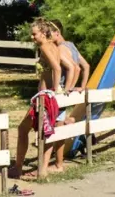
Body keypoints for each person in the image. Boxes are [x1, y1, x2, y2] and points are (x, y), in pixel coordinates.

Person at [9, 19, 74, 179]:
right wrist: (63, 89)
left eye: (34, 34)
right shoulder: (55, 47)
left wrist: (54, 90)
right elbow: (70, 67)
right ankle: (42, 169)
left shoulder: (45, 47)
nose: (32, 37)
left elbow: (57, 68)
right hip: (50, 97)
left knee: (23, 129)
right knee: (48, 132)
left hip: (45, 98)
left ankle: (18, 168)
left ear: (44, 33)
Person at [44, 19, 92, 173]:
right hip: (64, 94)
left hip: (60, 93)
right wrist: (82, 86)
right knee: (58, 128)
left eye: (49, 33)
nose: (47, 36)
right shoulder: (71, 45)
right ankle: (57, 163)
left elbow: (75, 68)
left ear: (57, 33)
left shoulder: (61, 48)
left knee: (53, 129)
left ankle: (54, 165)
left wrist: (67, 89)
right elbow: (86, 66)